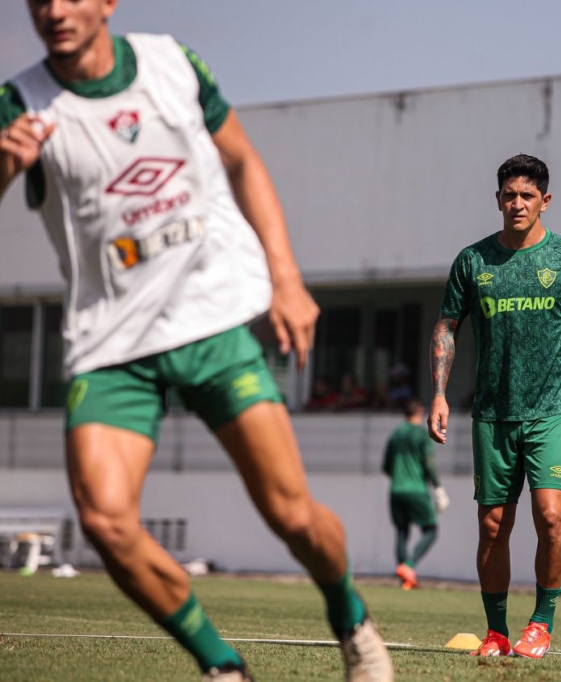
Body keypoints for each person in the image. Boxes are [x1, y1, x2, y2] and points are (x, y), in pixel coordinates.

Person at [0, 2, 392, 680]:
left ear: (108, 3)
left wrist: (287, 279)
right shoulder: (19, 103)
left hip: (208, 321)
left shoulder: (171, 64)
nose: (55, 10)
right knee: (105, 522)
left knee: (293, 517)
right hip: (112, 345)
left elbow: (243, 161)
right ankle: (221, 666)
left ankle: (351, 617)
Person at [428, 154, 561, 659]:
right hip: (492, 413)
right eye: (509, 195)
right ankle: (495, 632)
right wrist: (439, 394)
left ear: (545, 201)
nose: (517, 203)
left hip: (553, 408)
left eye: (527, 196)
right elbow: (447, 326)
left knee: (551, 516)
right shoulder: (473, 261)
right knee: (493, 525)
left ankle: (541, 622)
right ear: (497, 200)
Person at [382, 397, 448, 589]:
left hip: (396, 489)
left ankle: (405, 578)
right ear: (420, 412)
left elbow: (386, 466)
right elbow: (429, 463)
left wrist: (399, 476)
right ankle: (409, 565)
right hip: (416, 489)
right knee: (431, 531)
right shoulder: (420, 435)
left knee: (402, 531)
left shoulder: (395, 435)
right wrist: (438, 489)